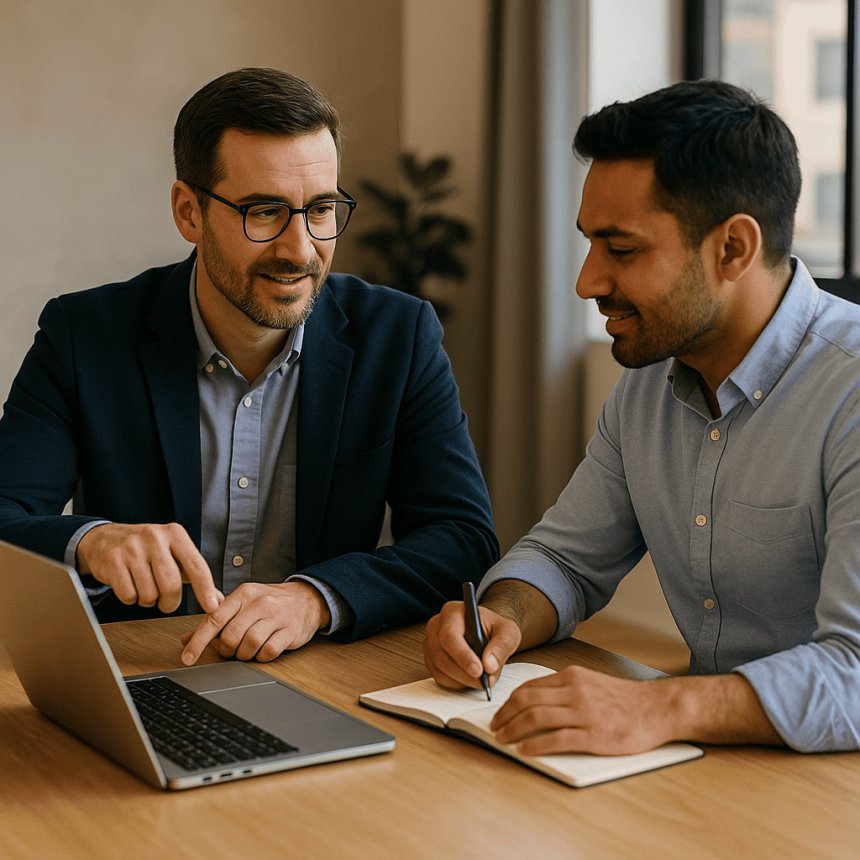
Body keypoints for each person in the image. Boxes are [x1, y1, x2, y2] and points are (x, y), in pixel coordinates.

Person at [0, 67, 498, 665]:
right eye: (263, 212)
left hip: (321, 665)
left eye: (320, 209)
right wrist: (90, 541)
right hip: (143, 667)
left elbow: (462, 539)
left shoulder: (399, 335)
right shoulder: (83, 335)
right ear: (189, 212)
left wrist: (316, 598)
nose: (300, 249)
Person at [424, 79, 860, 755]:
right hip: (718, 764)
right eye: (590, 244)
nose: (587, 282)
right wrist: (497, 617)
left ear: (733, 249)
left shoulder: (852, 391)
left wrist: (660, 705)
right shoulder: (651, 383)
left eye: (620, 250)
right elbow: (566, 560)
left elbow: (855, 673)